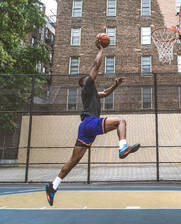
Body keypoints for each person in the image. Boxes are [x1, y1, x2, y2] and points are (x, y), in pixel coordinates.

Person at [45, 43, 140, 206]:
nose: (91, 78)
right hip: (90, 123)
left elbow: (105, 93)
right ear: (85, 82)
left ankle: (53, 186)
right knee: (120, 121)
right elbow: (96, 65)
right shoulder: (87, 86)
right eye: (88, 78)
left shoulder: (92, 93)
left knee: (74, 161)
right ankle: (123, 147)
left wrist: (116, 85)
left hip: (86, 128)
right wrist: (101, 49)